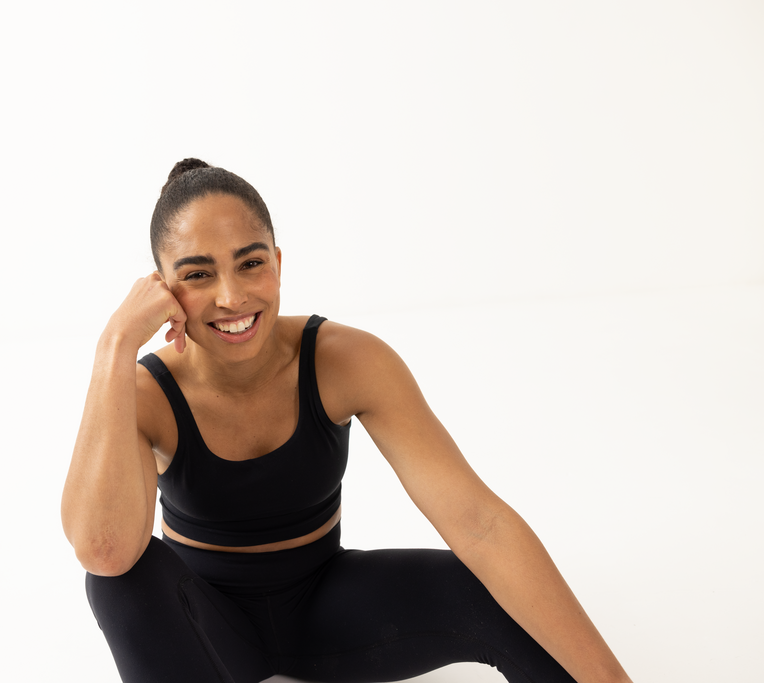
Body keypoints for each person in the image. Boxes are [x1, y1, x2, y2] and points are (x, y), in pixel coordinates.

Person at [61, 159, 633, 683]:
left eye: (250, 263)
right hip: (206, 629)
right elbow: (103, 550)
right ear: (161, 288)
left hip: (326, 610)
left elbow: (480, 524)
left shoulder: (345, 361)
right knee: (119, 582)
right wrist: (115, 344)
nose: (231, 297)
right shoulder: (144, 393)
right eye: (198, 275)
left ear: (278, 263)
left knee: (493, 593)